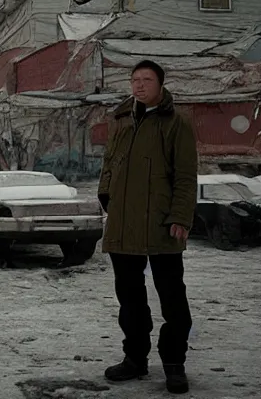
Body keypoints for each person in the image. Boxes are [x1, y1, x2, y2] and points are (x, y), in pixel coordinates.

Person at [97, 60, 197, 395]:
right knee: (131, 301)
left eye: (147, 80)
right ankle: (135, 360)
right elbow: (110, 163)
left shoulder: (176, 123)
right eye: (135, 80)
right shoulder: (122, 120)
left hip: (161, 228)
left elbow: (185, 177)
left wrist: (181, 217)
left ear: (160, 84)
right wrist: (106, 196)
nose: (139, 86)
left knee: (173, 301)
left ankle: (174, 365)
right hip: (123, 228)